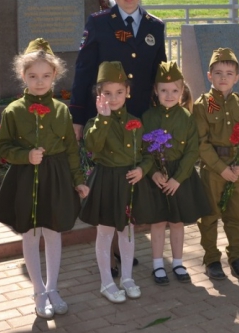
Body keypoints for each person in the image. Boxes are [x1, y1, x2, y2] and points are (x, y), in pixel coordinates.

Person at [0, 39, 89, 319]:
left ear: (55, 77)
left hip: (56, 178)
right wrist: (25, 156)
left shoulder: (61, 111)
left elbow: (72, 149)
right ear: (23, 76)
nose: (39, 82)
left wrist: (79, 180)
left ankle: (53, 288)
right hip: (26, 179)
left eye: (46, 76)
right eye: (33, 76)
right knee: (31, 233)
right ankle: (38, 291)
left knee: (53, 232)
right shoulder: (13, 111)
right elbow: (3, 147)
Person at [80, 61, 153, 303]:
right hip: (106, 181)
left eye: (119, 92)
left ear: (128, 92)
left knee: (128, 232)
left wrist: (142, 170)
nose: (114, 98)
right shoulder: (95, 122)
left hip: (129, 182)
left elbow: (146, 154)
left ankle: (128, 278)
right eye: (107, 93)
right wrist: (103, 119)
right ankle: (106, 282)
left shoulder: (136, 121)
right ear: (99, 95)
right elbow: (92, 146)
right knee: (104, 233)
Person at [70, 0, 167, 137]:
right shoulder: (98, 23)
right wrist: (77, 116)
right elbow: (84, 71)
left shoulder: (155, 26)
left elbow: (159, 75)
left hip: (142, 116)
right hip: (105, 116)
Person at [141, 61, 211, 285]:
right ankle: (158, 265)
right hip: (157, 179)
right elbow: (143, 151)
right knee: (158, 222)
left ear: (182, 91)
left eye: (174, 90)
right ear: (156, 91)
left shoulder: (187, 117)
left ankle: (178, 262)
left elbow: (192, 151)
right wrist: (152, 173)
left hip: (180, 178)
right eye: (164, 90)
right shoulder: (148, 117)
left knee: (178, 223)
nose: (169, 95)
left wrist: (177, 178)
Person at [193, 48, 239, 280]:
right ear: (210, 76)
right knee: (209, 216)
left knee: (235, 216)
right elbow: (201, 142)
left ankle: (237, 258)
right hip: (213, 171)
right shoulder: (204, 105)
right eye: (218, 73)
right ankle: (211, 259)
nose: (223, 78)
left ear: (237, 77)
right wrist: (221, 168)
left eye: (229, 73)